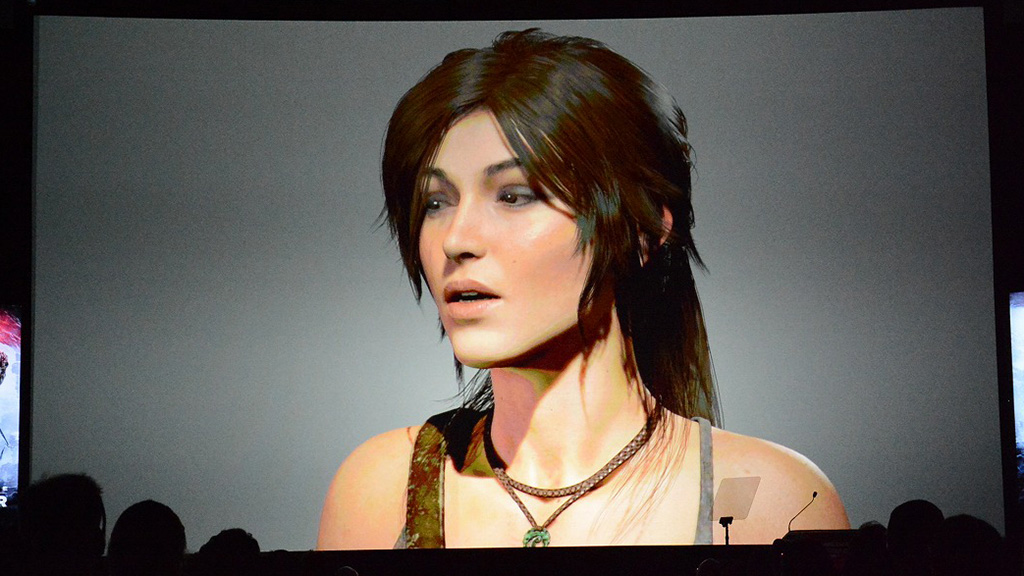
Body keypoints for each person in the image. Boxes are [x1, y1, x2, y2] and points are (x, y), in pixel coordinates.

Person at [318, 28, 848, 549]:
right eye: (436, 202)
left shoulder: (776, 501)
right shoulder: (380, 490)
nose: (455, 240)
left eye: (514, 195)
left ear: (644, 230)